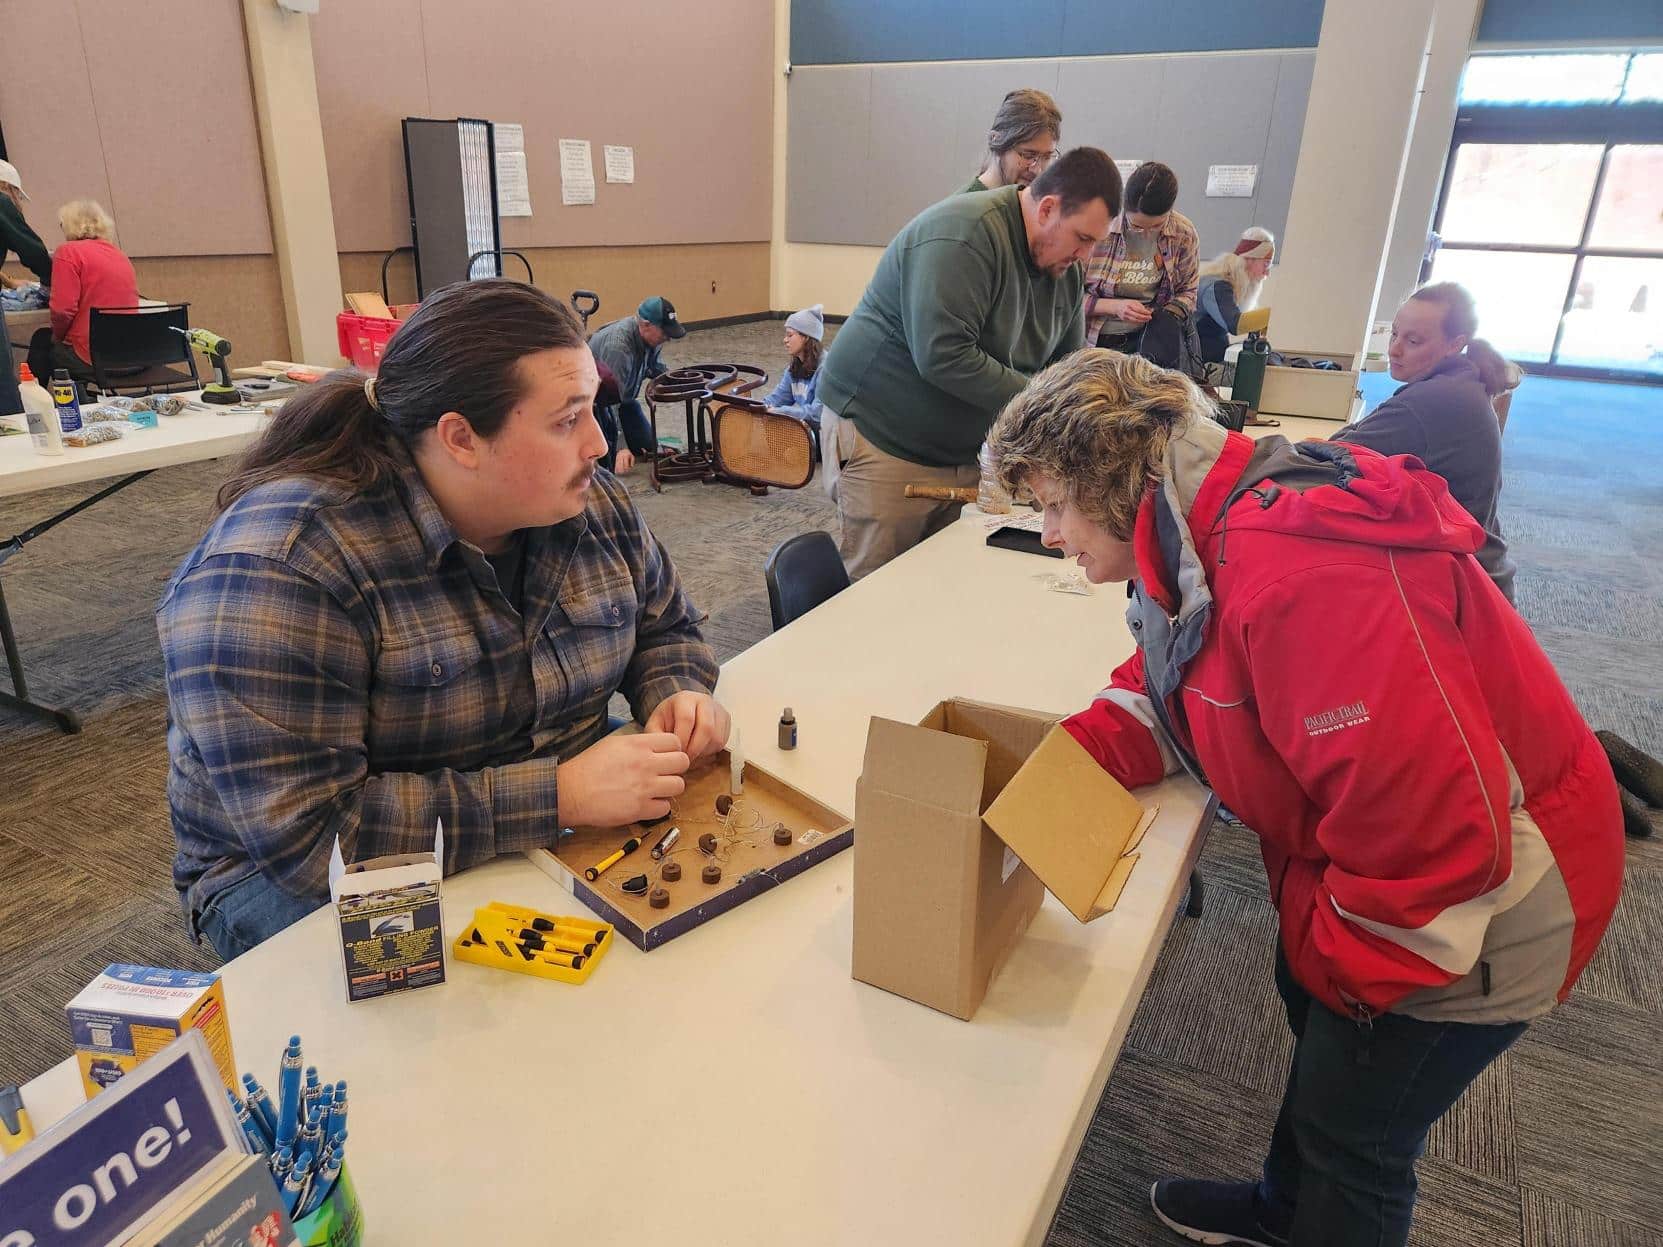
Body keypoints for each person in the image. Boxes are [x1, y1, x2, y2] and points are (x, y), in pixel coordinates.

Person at [984, 349, 1622, 1247]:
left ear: (1112, 483)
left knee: (1356, 1140)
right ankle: (1283, 1212)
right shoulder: (1198, 530)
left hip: (1493, 903)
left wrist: (1331, 959)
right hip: (1384, 861)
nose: (1048, 533)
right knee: (1327, 1083)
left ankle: (1306, 1208)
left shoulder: (1298, 577)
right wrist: (1077, 753)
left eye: (1053, 504)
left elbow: (1434, 836)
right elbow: (1184, 676)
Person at [158, 280, 726, 960]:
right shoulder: (282, 568)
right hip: (299, 872)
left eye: (593, 411)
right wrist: (558, 795)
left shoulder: (585, 499)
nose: (599, 445)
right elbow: (315, 840)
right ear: (460, 438)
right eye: (566, 420)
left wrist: (676, 692)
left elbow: (666, 627)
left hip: (547, 795)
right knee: (480, 1013)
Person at [818, 147, 1121, 579]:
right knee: (875, 585)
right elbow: (944, 355)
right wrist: (1044, 400)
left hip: (962, 449)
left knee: (941, 581)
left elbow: (1065, 371)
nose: (1086, 255)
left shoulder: (1065, 269)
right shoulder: (964, 235)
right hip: (884, 435)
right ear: (1047, 209)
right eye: (1083, 238)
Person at [1332, 282, 1519, 602]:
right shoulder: (1460, 382)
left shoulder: (1433, 400)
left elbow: (1324, 455)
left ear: (1455, 344)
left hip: (1460, 586)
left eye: (1413, 341)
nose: (1394, 349)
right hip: (1471, 565)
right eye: (1394, 334)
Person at [1082, 162, 1200, 374]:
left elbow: (1188, 292)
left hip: (1150, 344)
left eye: (1156, 226)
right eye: (1136, 226)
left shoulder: (1183, 233)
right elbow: (1064, 300)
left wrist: (1164, 314)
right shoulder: (1097, 227)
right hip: (1092, 342)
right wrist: (1114, 307)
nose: (1146, 234)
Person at [26, 199, 138, 390]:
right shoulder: (119, 254)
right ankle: (78, 396)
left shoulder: (68, 252)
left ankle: (34, 401)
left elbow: (62, 310)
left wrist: (58, 336)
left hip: (92, 358)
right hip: (131, 355)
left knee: (43, 341)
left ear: (70, 225)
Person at [587, 294, 686, 473]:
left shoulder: (652, 339)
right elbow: (610, 402)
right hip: (596, 409)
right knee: (607, 460)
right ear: (646, 325)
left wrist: (681, 382)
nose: (668, 338)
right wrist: (620, 447)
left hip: (625, 402)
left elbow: (656, 368)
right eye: (664, 332)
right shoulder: (618, 348)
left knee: (649, 446)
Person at [1196, 225, 1275, 368]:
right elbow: (1235, 324)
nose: (1267, 273)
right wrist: (1272, 316)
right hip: (1197, 364)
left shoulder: (1224, 283)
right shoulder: (1217, 286)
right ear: (1250, 259)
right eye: (1266, 264)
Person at [961, 89, 1061, 193]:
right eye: (1028, 155)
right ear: (996, 140)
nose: (1037, 170)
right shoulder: (968, 202)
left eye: (1047, 157)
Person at [761, 304, 824, 431]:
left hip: (825, 438)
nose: (785, 340)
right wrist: (758, 406)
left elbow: (817, 413)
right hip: (806, 434)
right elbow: (778, 398)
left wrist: (781, 412)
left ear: (806, 337)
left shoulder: (826, 370)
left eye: (790, 335)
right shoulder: (793, 368)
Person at [0, 160, 51, 287]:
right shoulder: (2, 202)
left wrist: (8, 281)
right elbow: (31, 250)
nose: (16, 201)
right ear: (4, 185)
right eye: (15, 192)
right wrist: (54, 276)